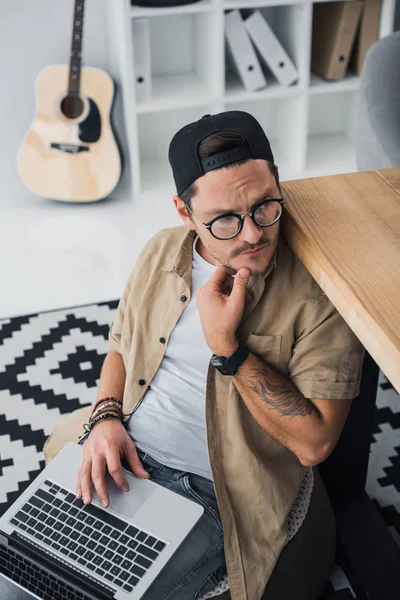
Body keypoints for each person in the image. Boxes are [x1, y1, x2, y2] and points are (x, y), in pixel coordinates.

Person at [44, 111, 365, 600]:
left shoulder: (320, 295)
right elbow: (121, 346)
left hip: (213, 492)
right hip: (123, 447)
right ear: (183, 211)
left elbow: (315, 444)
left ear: (277, 181)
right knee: (26, 567)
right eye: (224, 221)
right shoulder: (160, 252)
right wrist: (105, 417)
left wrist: (228, 349)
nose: (252, 234)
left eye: (264, 206)